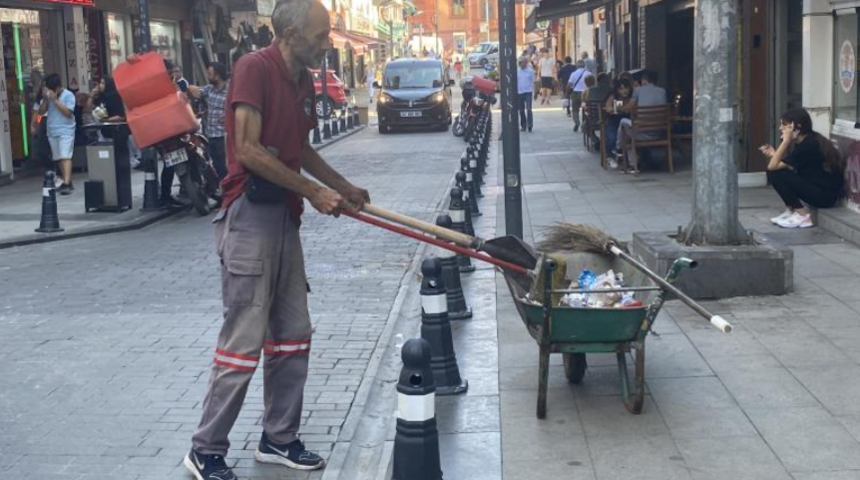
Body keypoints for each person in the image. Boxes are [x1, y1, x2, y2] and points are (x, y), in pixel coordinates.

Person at [184, 1, 370, 479]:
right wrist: (314, 192)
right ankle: (205, 449)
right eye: (321, 34)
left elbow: (300, 148)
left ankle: (278, 437)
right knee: (243, 341)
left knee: (292, 334)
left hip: (284, 218)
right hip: (249, 215)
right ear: (289, 32)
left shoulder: (302, 80)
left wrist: (342, 187)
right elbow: (246, 149)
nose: (327, 42)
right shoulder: (254, 68)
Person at [761, 109, 845, 229]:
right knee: (778, 173)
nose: (781, 128)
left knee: (774, 173)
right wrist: (775, 154)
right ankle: (791, 210)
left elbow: (772, 167)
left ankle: (802, 215)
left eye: (784, 125)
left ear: (797, 127)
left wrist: (785, 142)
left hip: (824, 196)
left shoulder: (809, 145)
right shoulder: (807, 140)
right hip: (819, 190)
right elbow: (787, 165)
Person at [616, 70, 667, 174]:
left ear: (644, 81)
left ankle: (620, 150)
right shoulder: (663, 91)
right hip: (658, 131)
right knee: (627, 133)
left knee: (623, 123)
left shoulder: (638, 90)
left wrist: (619, 107)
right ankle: (631, 163)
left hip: (642, 132)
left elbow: (628, 108)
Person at [189, 62, 230, 179]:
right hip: (211, 135)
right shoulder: (209, 89)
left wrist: (229, 116)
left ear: (218, 75)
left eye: (210, 74)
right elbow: (196, 91)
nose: (208, 76)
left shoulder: (230, 90)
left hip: (224, 136)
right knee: (216, 165)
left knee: (224, 166)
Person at [39, 74, 76, 195]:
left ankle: (66, 183)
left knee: (65, 155)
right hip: (52, 130)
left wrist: (55, 100)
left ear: (58, 87)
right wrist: (45, 99)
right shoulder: (48, 97)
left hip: (66, 130)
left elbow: (68, 112)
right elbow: (41, 112)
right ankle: (68, 181)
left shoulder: (68, 95)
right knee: (58, 157)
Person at [603, 78, 633, 169]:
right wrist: (612, 109)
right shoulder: (614, 97)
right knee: (612, 138)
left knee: (631, 137)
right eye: (621, 88)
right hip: (613, 121)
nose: (624, 91)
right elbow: (608, 107)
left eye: (626, 88)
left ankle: (629, 159)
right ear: (617, 90)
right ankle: (609, 156)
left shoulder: (632, 97)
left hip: (627, 123)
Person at [566, 60, 592, 132]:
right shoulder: (589, 74)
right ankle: (584, 124)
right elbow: (592, 84)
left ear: (577, 66)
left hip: (576, 93)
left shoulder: (573, 74)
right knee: (585, 109)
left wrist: (567, 92)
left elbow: (569, 85)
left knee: (575, 109)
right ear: (584, 65)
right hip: (586, 94)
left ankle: (577, 122)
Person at [517, 55, 535, 133]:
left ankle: (530, 125)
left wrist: (535, 92)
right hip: (520, 92)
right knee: (521, 110)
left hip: (528, 92)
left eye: (522, 63)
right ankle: (523, 126)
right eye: (520, 63)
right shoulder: (517, 71)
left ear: (526, 63)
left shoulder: (530, 71)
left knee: (528, 109)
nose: (521, 64)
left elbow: (533, 81)